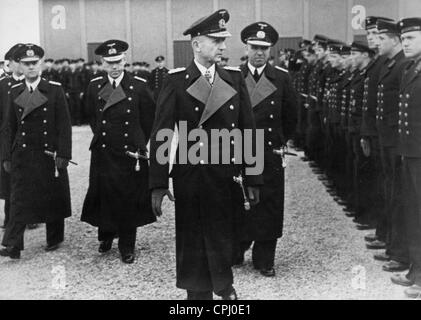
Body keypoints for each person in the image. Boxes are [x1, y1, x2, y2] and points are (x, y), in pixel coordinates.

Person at [149, 9, 262, 300]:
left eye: (224, 40)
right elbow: (162, 134)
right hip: (192, 177)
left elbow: (247, 129)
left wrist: (254, 178)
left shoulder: (234, 79)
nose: (223, 47)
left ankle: (224, 285)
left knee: (223, 235)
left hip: (225, 175)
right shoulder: (176, 81)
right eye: (216, 41)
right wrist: (158, 184)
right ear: (197, 45)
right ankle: (198, 296)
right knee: (193, 238)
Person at [81, 40, 156, 264]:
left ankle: (127, 245)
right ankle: (105, 236)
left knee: (128, 199)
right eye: (110, 62)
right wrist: (105, 136)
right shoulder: (94, 86)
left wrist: (138, 140)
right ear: (102, 63)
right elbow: (91, 116)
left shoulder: (139, 85)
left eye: (119, 61)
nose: (115, 66)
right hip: (104, 152)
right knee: (104, 195)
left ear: (125, 61)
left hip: (129, 153)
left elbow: (149, 118)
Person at [235, 22, 297, 277]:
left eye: (264, 48)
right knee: (238, 202)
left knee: (269, 205)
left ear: (270, 50)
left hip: (269, 152)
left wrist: (280, 141)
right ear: (246, 48)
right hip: (240, 151)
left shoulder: (281, 77)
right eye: (254, 47)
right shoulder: (233, 75)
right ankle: (236, 250)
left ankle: (265, 259)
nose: (259, 52)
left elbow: (292, 116)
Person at [0, 44, 72, 259]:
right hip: (22, 154)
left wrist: (64, 153)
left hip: (48, 154)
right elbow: (8, 127)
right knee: (19, 198)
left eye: (34, 63)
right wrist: (6, 156)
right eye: (26, 64)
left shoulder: (54, 89)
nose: (31, 67)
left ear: (41, 63)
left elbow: (64, 125)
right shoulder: (14, 91)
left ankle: (54, 237)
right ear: (19, 66)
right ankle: (13, 244)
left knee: (53, 195)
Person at [369, 19, 409, 273]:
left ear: (395, 40)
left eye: (382, 38)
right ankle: (392, 245)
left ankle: (399, 251)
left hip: (398, 142)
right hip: (388, 139)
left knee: (398, 197)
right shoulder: (390, 64)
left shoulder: (403, 65)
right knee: (390, 193)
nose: (377, 42)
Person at [390, 17, 421, 298]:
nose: (405, 43)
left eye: (411, 38)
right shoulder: (411, 68)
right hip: (411, 153)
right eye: (403, 39)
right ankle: (417, 271)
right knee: (414, 213)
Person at [0, 44, 25, 229]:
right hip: (8, 138)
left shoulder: (34, 83)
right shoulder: (3, 84)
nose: (18, 65)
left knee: (30, 177)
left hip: (28, 139)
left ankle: (30, 217)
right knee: (9, 180)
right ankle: (10, 219)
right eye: (15, 61)